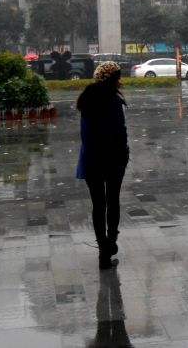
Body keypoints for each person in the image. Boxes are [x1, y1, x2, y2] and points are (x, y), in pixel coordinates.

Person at [76, 62, 129, 270]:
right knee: (112, 200)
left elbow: (85, 134)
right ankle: (111, 240)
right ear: (113, 78)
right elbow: (120, 131)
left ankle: (103, 253)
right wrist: (124, 154)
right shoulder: (113, 100)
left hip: (91, 159)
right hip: (113, 160)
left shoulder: (86, 98)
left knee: (98, 205)